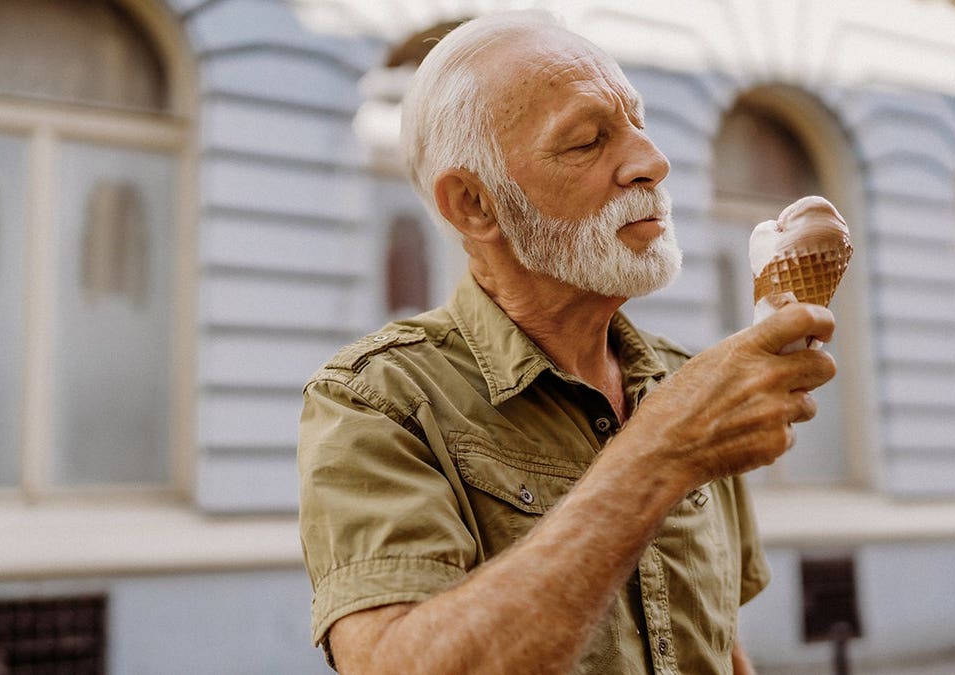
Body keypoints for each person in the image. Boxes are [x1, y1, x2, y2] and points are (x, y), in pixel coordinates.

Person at [297, 9, 836, 675]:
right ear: (474, 203)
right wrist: (658, 454)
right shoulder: (375, 402)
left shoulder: (684, 382)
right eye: (587, 141)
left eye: (637, 122)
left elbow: (721, 646)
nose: (652, 161)